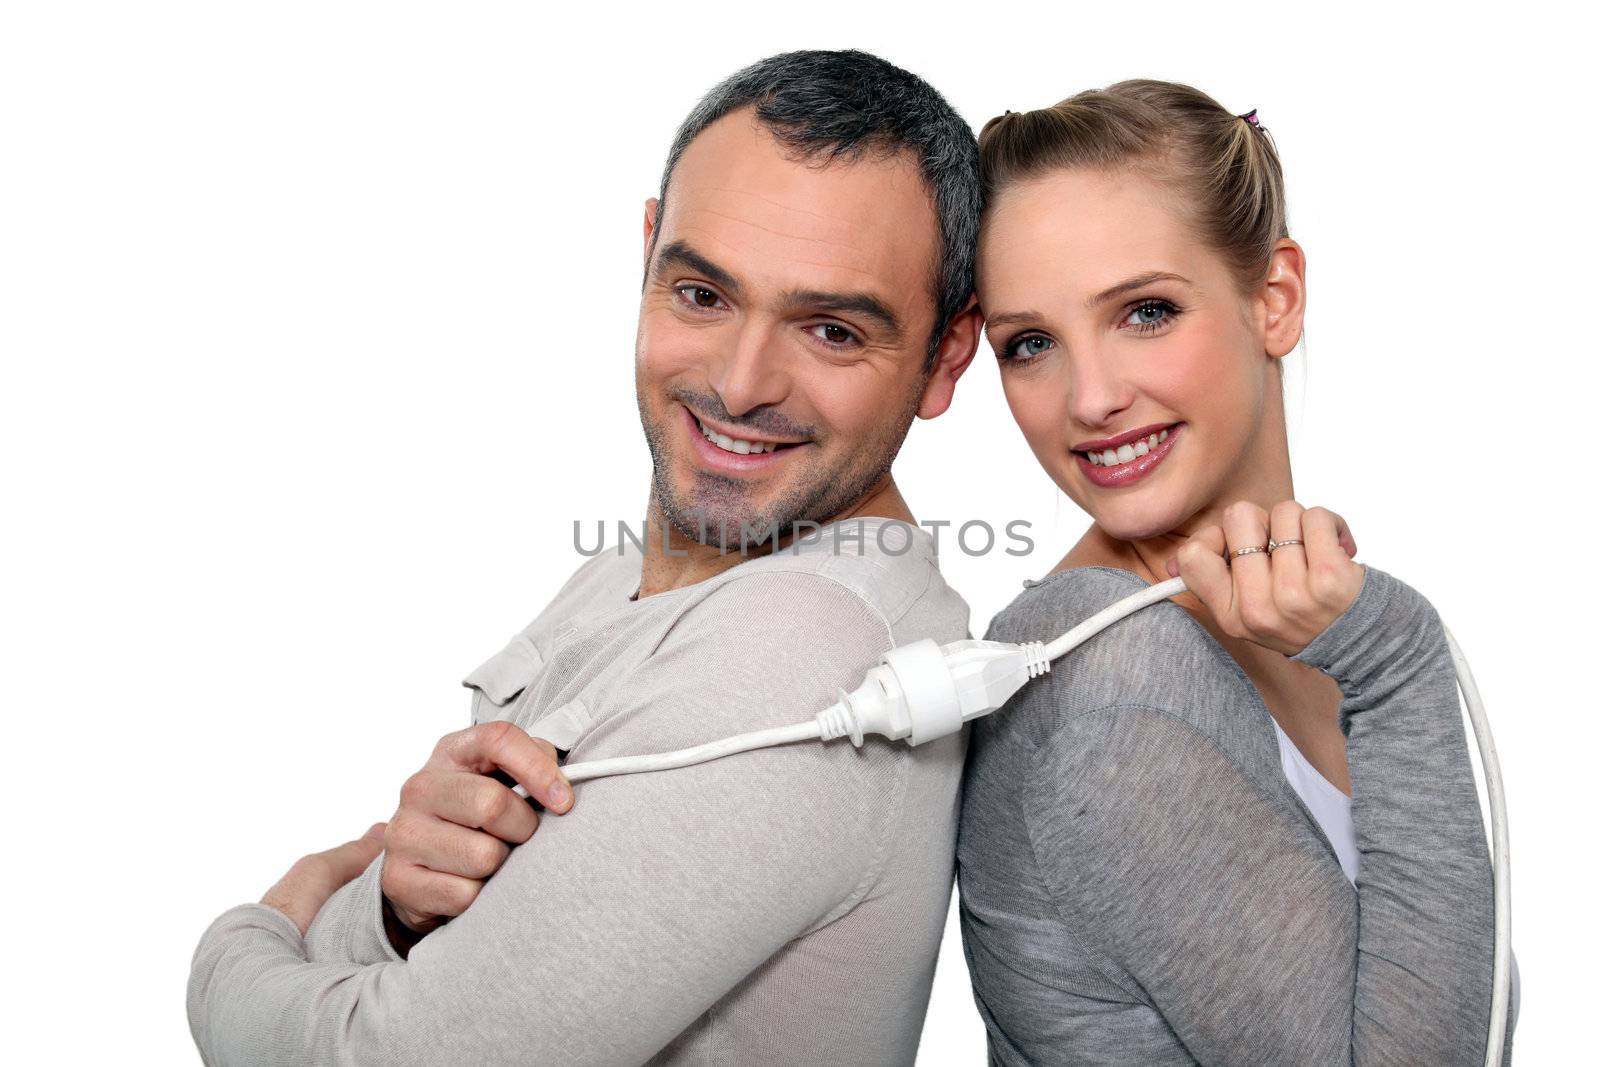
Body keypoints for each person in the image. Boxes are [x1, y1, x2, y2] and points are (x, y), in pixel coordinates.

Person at [185, 49, 985, 1065]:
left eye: (829, 329)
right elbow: (437, 949)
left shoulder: (798, 659)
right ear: (648, 250)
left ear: (945, 355)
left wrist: (256, 928)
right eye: (702, 294)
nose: (740, 384)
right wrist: (387, 907)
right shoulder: (648, 571)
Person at [956, 80, 1518, 1065]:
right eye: (1029, 343)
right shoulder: (1102, 669)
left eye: (1144, 311)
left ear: (1274, 297)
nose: (1089, 396)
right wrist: (1398, 657)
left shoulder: (1305, 624)